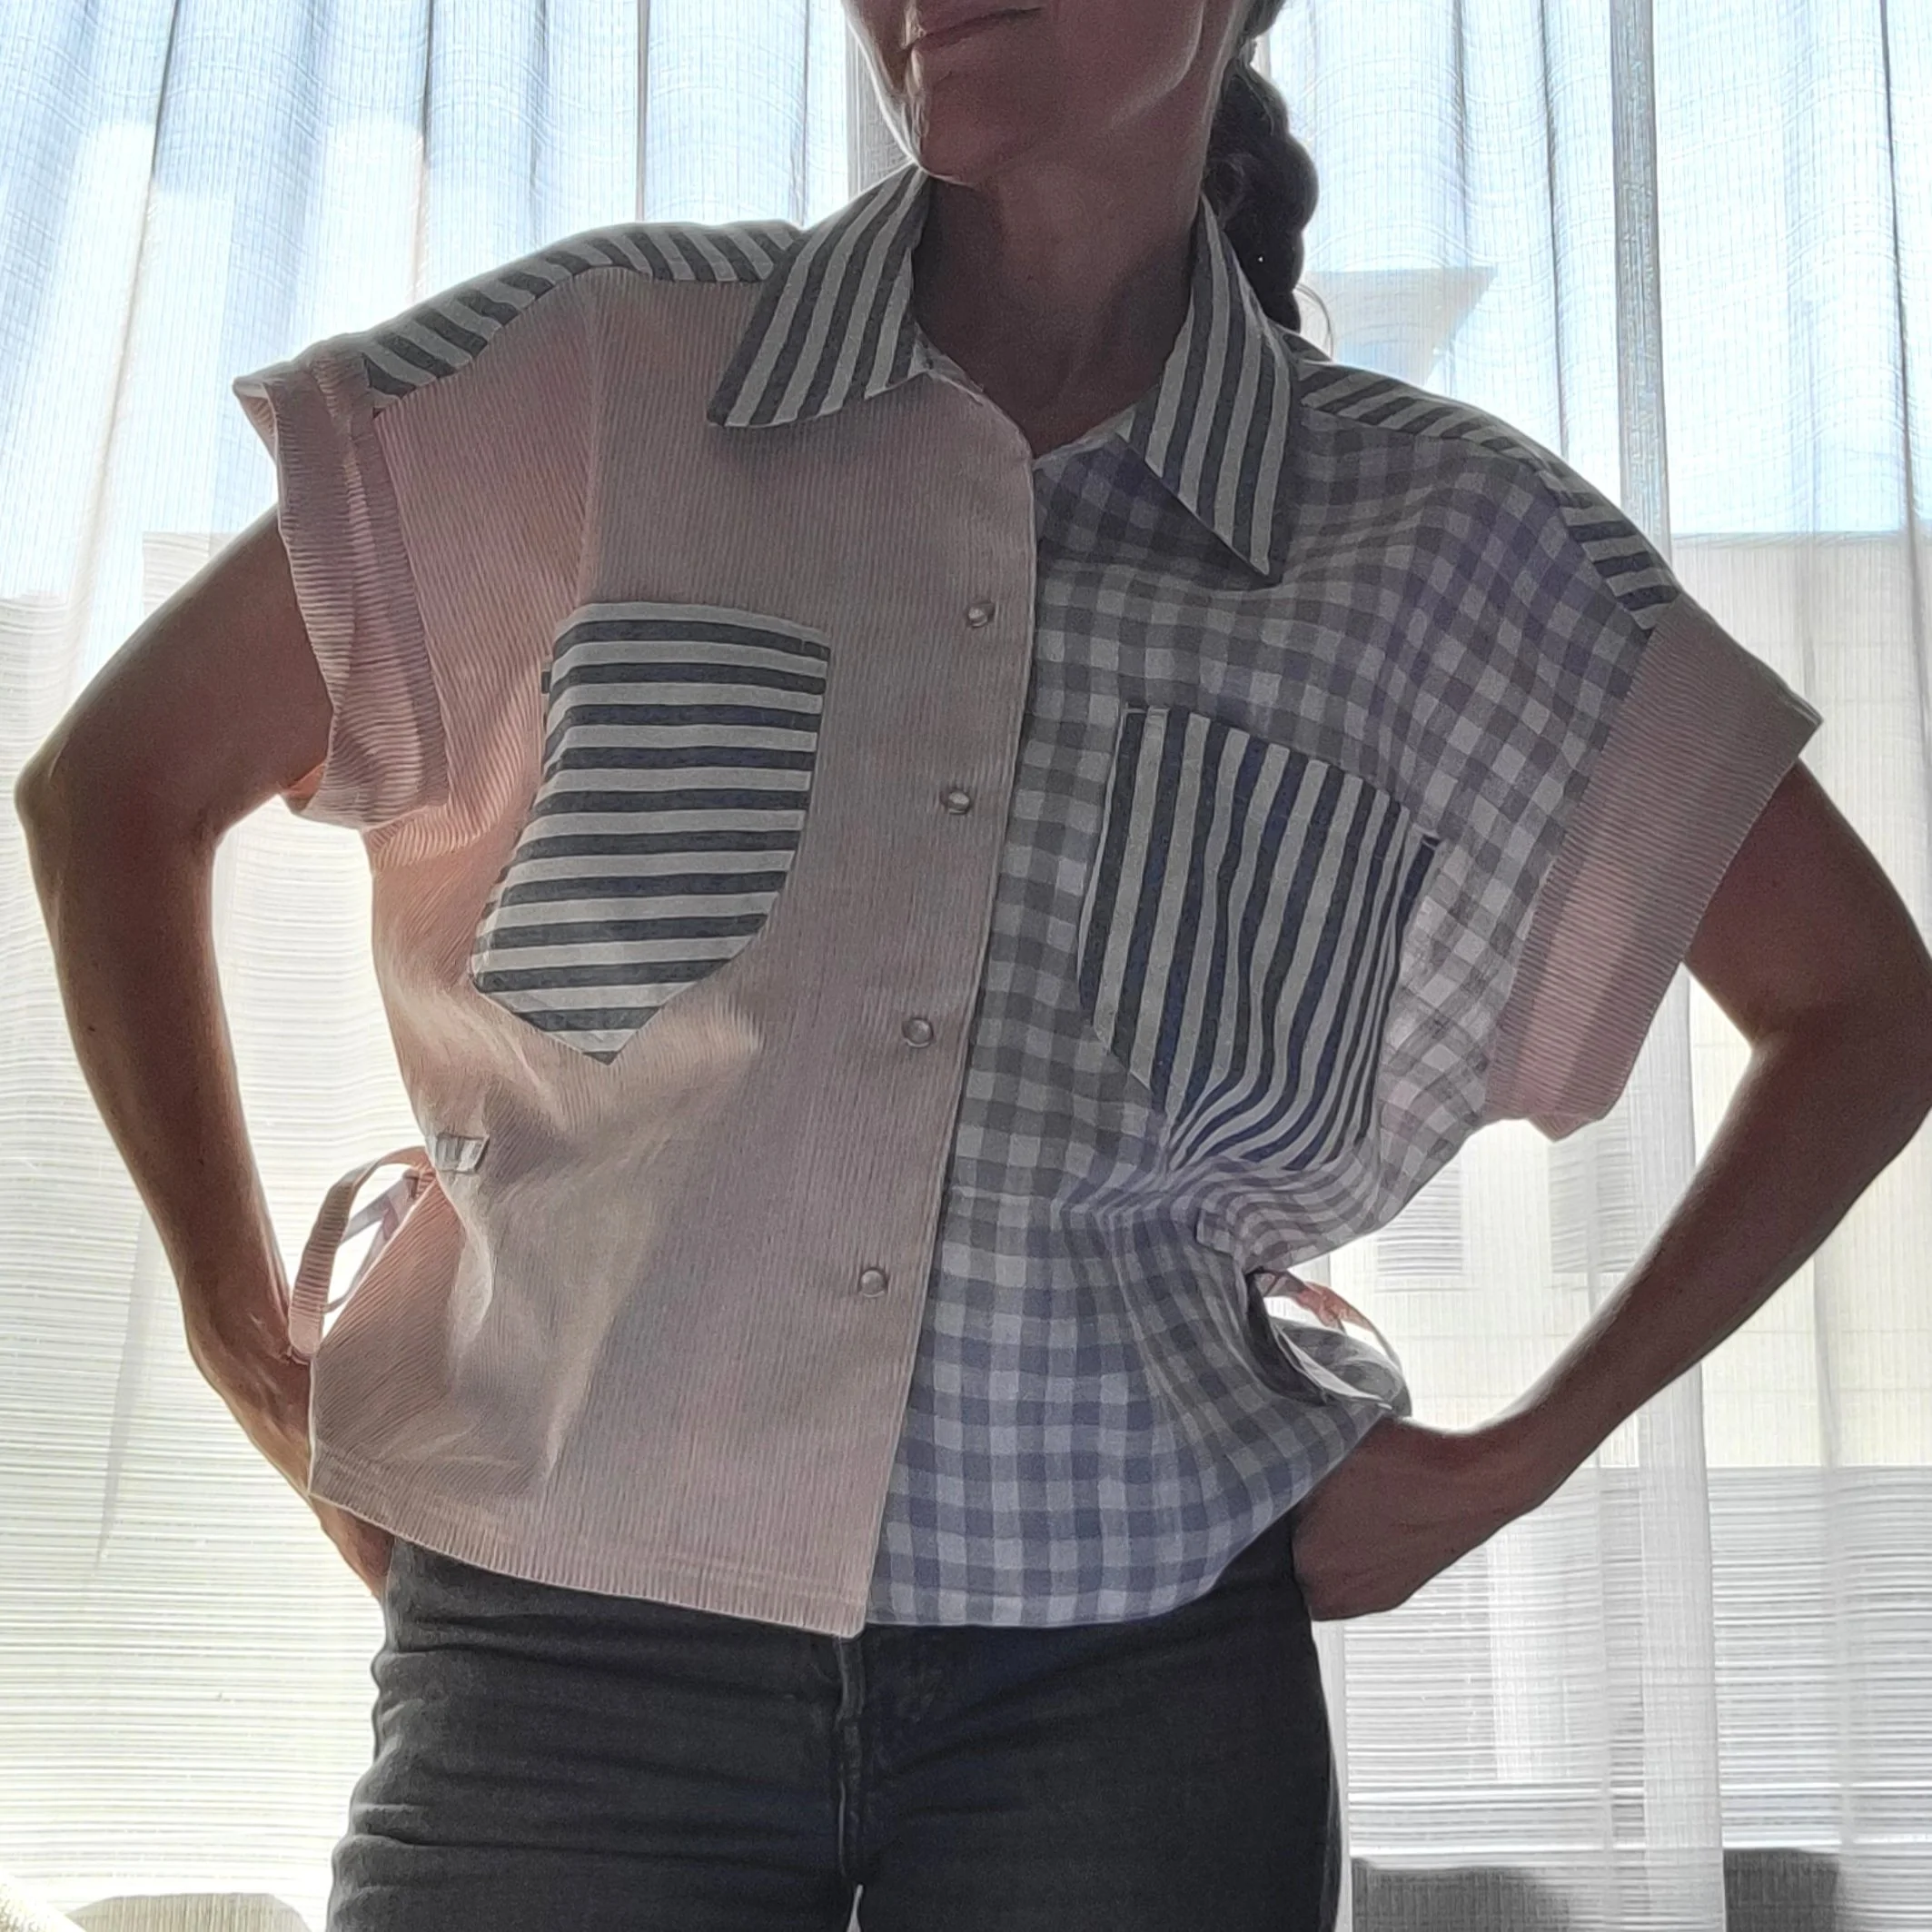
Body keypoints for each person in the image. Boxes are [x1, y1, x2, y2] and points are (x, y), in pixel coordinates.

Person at [15, 0, 1932, 1927]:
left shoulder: (1443, 542)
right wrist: (241, 1338)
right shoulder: (599, 373)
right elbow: (113, 789)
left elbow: (1865, 1008)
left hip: (1133, 1702)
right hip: (570, 1672)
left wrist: (1518, 1459)